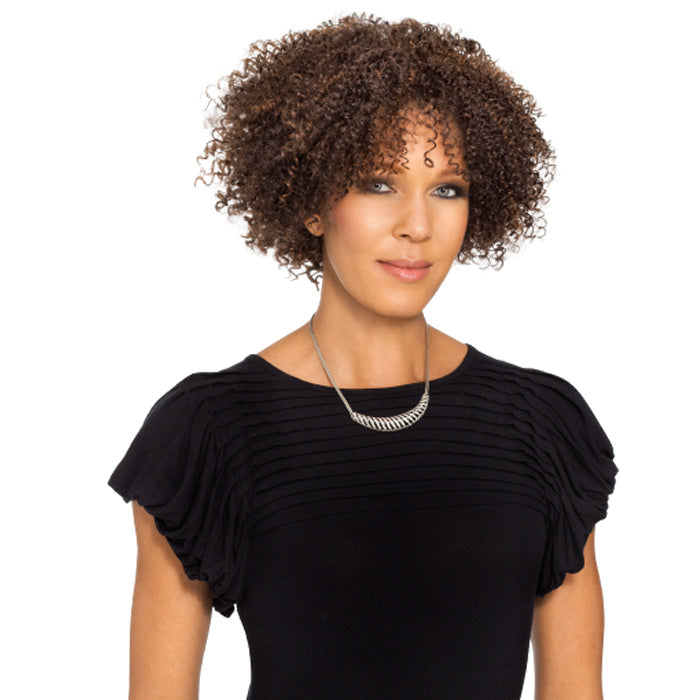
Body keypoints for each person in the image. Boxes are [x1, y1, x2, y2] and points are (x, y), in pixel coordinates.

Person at [108, 14, 618, 700]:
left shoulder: (543, 424)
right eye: (379, 183)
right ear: (310, 203)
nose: (418, 225)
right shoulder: (208, 432)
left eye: (448, 189)